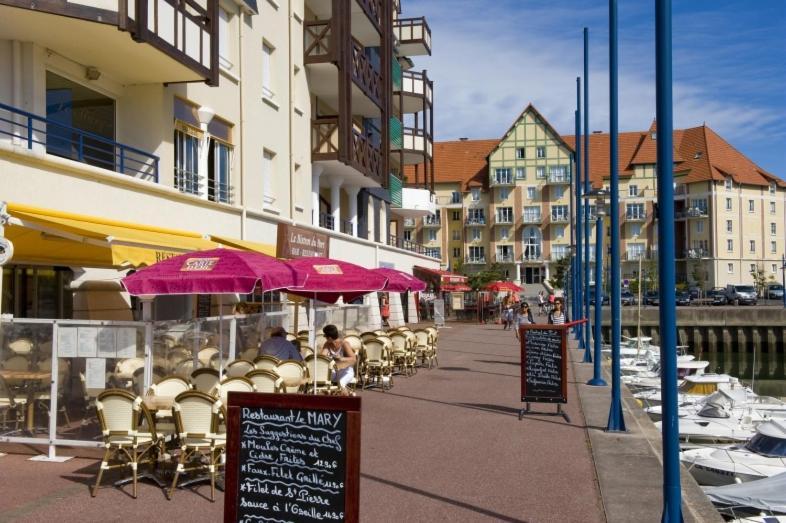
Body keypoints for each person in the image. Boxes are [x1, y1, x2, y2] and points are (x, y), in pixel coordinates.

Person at [319, 324, 357, 395]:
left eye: (325, 336)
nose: (325, 338)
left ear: (330, 338)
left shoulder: (344, 344)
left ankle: (346, 401)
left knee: (341, 384)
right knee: (323, 381)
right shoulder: (327, 344)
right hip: (334, 370)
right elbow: (322, 357)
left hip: (346, 371)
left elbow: (354, 359)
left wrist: (341, 358)